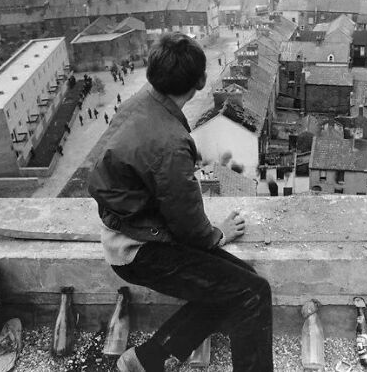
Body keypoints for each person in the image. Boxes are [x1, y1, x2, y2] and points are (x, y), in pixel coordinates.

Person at [89, 33, 273, 372]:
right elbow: (188, 223)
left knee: (239, 282)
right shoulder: (171, 143)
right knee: (252, 292)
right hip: (141, 250)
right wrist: (217, 235)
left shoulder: (139, 103)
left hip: (130, 232)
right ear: (201, 81)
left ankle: (147, 361)